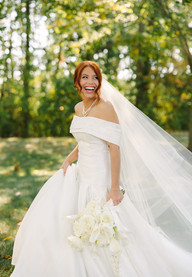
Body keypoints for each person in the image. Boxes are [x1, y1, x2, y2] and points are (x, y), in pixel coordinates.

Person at [11, 61, 192, 277]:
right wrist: (69, 159)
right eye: (85, 77)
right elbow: (86, 139)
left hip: (100, 177)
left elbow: (114, 148)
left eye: (94, 77)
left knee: (106, 226)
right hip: (81, 174)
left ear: (100, 81)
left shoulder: (106, 107)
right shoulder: (79, 108)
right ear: (77, 81)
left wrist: (114, 188)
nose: (90, 82)